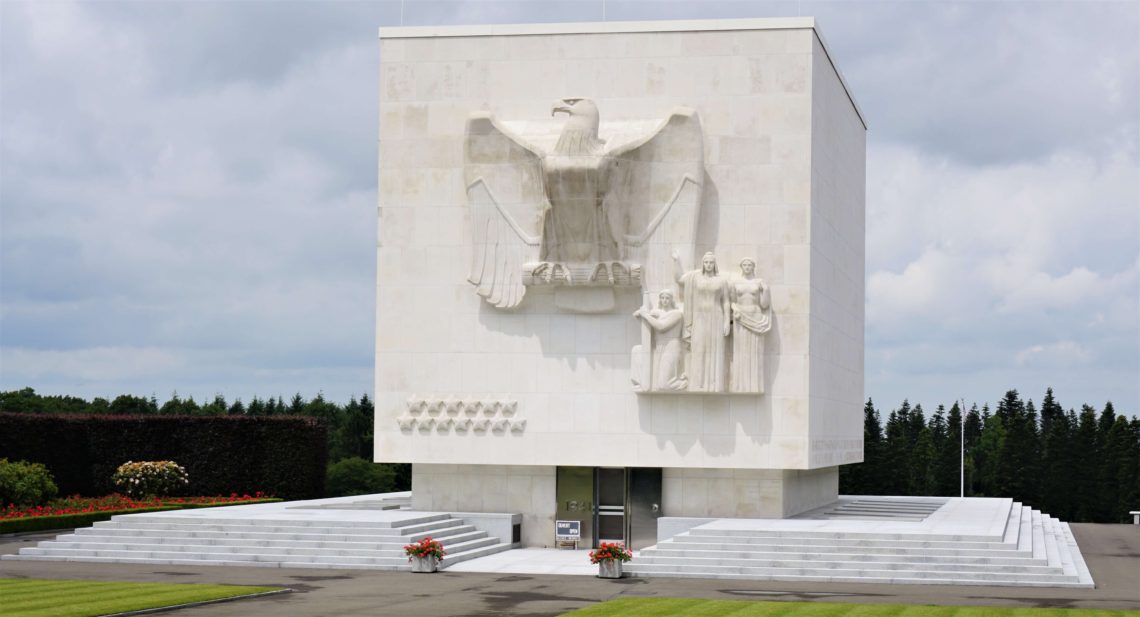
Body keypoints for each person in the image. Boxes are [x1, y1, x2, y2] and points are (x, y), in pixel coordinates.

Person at [673, 251, 731, 392]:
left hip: (716, 317)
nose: (709, 265)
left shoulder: (721, 281)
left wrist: (726, 321)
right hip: (699, 318)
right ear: (703, 264)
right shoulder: (695, 278)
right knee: (699, 348)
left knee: (714, 350)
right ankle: (698, 383)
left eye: (711, 262)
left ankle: (715, 384)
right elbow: (679, 279)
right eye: (706, 262)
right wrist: (676, 261)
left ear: (714, 264)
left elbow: (726, 302)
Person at [729, 258, 772, 393]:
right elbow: (731, 301)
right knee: (740, 351)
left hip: (755, 317)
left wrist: (766, 291)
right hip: (740, 318)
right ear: (741, 267)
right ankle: (740, 385)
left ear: (753, 267)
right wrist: (735, 309)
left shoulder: (759, 283)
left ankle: (754, 385)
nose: (747, 267)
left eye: (749, 265)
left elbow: (764, 305)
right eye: (745, 265)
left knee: (755, 351)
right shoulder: (735, 283)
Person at [633, 289, 687, 391]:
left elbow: (661, 327)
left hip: (671, 347)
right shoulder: (657, 313)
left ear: (671, 300)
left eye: (667, 298)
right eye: (662, 298)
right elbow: (636, 315)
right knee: (657, 385)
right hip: (659, 347)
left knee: (664, 385)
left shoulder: (677, 314)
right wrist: (642, 312)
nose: (664, 300)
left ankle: (684, 381)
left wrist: (646, 315)